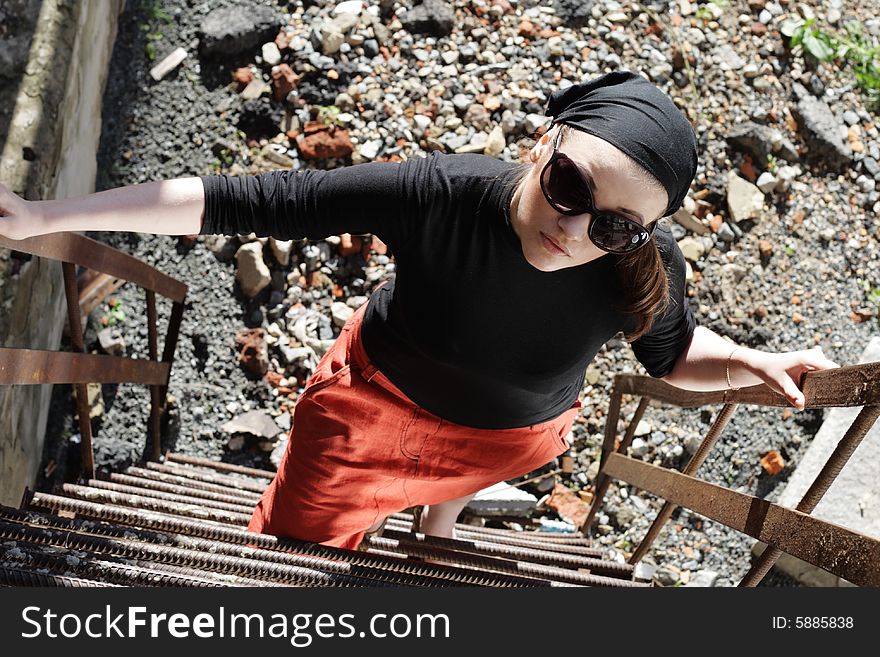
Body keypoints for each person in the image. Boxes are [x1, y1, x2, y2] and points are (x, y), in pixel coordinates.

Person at [0, 72, 839, 551]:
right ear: (542, 142)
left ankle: (438, 522)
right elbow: (252, 199)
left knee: (459, 492)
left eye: (615, 224)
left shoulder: (639, 265)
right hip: (376, 413)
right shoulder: (441, 195)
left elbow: (673, 351)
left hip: (509, 440)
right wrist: (51, 216)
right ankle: (426, 528)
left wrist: (746, 366)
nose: (576, 228)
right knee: (295, 548)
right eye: (571, 185)